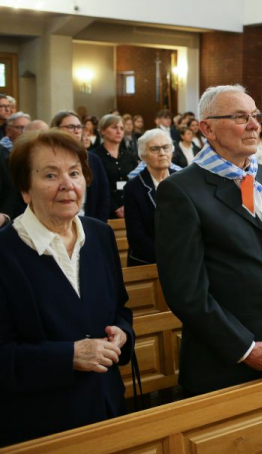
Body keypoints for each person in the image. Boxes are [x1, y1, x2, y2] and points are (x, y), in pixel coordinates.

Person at [155, 84, 262, 396]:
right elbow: (187, 293)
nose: (254, 124)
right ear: (208, 129)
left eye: (255, 115)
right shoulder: (181, 191)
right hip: (227, 364)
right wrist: (248, 349)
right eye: (241, 117)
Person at [0, 130, 134, 446]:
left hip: (107, 408)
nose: (67, 185)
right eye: (50, 175)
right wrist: (69, 356)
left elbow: (121, 308)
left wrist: (122, 332)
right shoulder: (6, 253)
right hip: (41, 425)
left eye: (74, 173)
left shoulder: (100, 236)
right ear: (24, 189)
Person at [124, 129, 176, 267]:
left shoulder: (183, 180)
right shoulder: (133, 187)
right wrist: (168, 258)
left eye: (166, 147)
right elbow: (137, 236)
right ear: (143, 156)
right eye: (155, 149)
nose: (162, 153)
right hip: (149, 261)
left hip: (183, 260)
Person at [51, 111, 111, 223]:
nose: (77, 130)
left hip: (88, 221)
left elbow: (103, 195)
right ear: (56, 129)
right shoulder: (49, 158)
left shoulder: (92, 159)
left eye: (79, 127)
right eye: (71, 127)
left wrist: (98, 223)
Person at [90, 114, 138, 219]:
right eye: (114, 127)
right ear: (102, 131)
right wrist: (115, 207)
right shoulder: (94, 156)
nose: (119, 131)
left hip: (129, 208)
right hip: (104, 209)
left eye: (121, 128)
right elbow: (96, 186)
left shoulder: (130, 156)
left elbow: (135, 183)